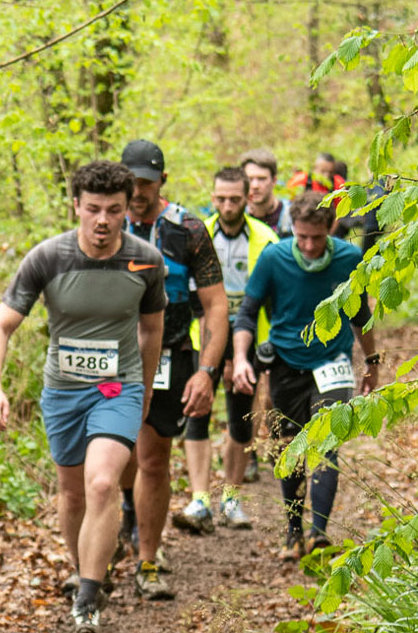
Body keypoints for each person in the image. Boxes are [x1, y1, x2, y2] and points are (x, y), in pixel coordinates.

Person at [0, 159, 163, 633]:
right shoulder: (47, 258)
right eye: (94, 209)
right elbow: (1, 326)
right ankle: (86, 566)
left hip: (118, 388)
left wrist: (144, 389)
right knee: (72, 493)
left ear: (128, 210)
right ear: (76, 206)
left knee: (102, 483)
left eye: (114, 210)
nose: (103, 220)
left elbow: (152, 330)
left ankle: (87, 599)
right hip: (63, 391)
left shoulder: (147, 260)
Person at [229, 190, 382, 560]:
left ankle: (320, 534)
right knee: (290, 446)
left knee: (326, 443)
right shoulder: (274, 257)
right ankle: (294, 532)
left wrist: (372, 361)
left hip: (333, 362)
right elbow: (247, 311)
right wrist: (241, 358)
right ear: (293, 230)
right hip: (286, 362)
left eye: (317, 237)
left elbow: (360, 314)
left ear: (330, 229)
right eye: (302, 237)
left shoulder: (348, 258)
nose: (310, 246)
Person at [108, 141, 226, 591]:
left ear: (163, 181)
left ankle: (148, 560)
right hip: (112, 355)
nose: (138, 191)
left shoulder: (188, 229)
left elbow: (216, 306)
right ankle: (126, 510)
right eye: (131, 182)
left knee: (154, 458)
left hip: (170, 353)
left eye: (147, 183)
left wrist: (206, 372)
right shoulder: (104, 222)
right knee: (115, 452)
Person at [185, 166, 278, 530]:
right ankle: (199, 499)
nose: (227, 206)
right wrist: (218, 355)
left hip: (250, 338)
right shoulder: (197, 235)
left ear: (247, 198)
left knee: (241, 420)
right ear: (212, 198)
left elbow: (274, 296)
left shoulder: (266, 239)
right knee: (197, 414)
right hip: (204, 339)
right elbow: (191, 296)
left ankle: (231, 498)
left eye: (234, 200)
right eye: (220, 199)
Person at [240, 148, 294, 238]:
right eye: (250, 179)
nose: (255, 186)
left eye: (262, 179)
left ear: (274, 180)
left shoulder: (291, 215)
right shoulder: (238, 217)